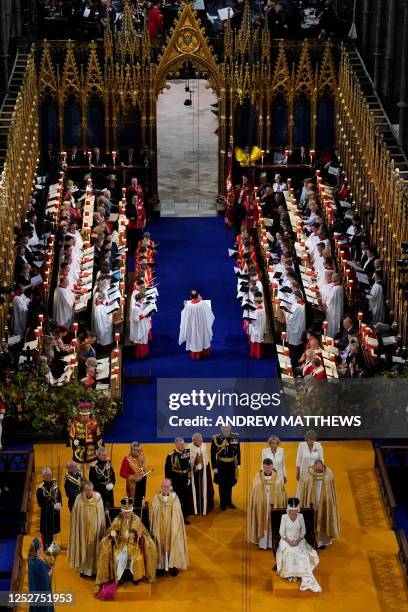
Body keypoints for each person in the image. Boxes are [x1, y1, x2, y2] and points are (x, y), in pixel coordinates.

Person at [95, 496, 157, 590]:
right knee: (118, 557)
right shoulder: (117, 520)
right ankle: (120, 578)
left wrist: (140, 536)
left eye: (129, 512)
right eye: (125, 512)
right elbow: (109, 535)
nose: (127, 514)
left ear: (132, 511)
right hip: (120, 545)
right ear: (122, 511)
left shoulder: (136, 519)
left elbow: (145, 535)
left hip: (133, 546)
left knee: (136, 558)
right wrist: (113, 535)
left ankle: (136, 578)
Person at [276, 497, 321, 592]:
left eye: (295, 510)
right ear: (288, 510)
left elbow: (303, 531)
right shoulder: (284, 517)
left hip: (298, 540)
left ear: (297, 509)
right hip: (286, 540)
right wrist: (289, 541)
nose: (293, 512)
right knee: (288, 552)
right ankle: (290, 574)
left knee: (300, 553)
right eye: (291, 510)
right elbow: (281, 532)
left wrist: (297, 540)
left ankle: (297, 573)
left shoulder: (300, 517)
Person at [150, 479, 189, 576]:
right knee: (159, 542)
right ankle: (160, 566)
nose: (166, 488)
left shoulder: (175, 498)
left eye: (167, 486)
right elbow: (152, 513)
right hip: (160, 528)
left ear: (170, 487)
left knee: (173, 542)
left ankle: (173, 566)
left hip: (172, 526)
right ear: (161, 487)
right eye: (164, 486)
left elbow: (178, 513)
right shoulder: (156, 498)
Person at [67, 481, 106, 578]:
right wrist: (77, 528)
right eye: (86, 490)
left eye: (90, 490)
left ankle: (94, 571)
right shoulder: (79, 499)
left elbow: (101, 515)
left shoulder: (98, 498)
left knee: (94, 548)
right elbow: (75, 515)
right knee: (83, 548)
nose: (88, 492)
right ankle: (83, 570)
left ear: (93, 489)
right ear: (84, 490)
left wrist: (101, 528)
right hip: (82, 530)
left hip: (95, 531)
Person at [298, 460, 340, 548]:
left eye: (319, 470)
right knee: (312, 520)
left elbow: (331, 489)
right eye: (316, 470)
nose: (317, 471)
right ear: (313, 467)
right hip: (311, 502)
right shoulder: (308, 474)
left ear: (322, 466)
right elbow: (304, 490)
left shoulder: (328, 474)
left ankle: (322, 542)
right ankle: (311, 540)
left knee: (324, 519)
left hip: (325, 503)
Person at [247, 458, 287, 549]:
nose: (267, 470)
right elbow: (254, 490)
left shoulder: (278, 477)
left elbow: (282, 492)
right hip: (261, 505)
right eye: (265, 467)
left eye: (269, 467)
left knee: (273, 520)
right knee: (262, 520)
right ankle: (262, 543)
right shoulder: (258, 476)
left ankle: (272, 542)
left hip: (275, 504)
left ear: (272, 466)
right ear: (263, 466)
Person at [178, 290, 215, 359]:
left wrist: (185, 305)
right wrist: (201, 300)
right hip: (202, 325)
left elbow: (185, 316)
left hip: (193, 326)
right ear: (198, 296)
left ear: (190, 297)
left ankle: (196, 352)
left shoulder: (188, 306)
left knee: (194, 337)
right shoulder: (202, 303)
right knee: (203, 335)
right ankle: (205, 350)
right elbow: (209, 313)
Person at [211, 426, 241, 511]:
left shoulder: (234, 437)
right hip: (221, 464)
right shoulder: (216, 438)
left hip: (231, 464)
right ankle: (222, 503)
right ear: (221, 430)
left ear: (230, 430)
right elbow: (213, 454)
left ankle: (229, 502)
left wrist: (238, 463)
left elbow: (238, 450)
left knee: (230, 484)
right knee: (221, 484)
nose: (226, 431)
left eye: (228, 430)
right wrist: (214, 467)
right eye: (224, 430)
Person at [164, 438, 192, 523]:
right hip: (176, 480)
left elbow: (189, 466)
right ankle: (177, 517)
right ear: (175, 444)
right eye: (180, 444)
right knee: (177, 499)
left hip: (184, 479)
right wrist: (169, 483)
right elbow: (168, 470)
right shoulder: (171, 455)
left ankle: (184, 516)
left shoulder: (187, 452)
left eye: (183, 444)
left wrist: (189, 478)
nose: (182, 446)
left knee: (185, 498)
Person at [187, 433, 214, 516]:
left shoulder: (204, 446)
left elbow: (206, 460)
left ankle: (205, 507)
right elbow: (188, 462)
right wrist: (195, 464)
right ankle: (195, 508)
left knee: (206, 488)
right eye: (198, 440)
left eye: (201, 439)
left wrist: (203, 464)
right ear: (193, 440)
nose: (200, 441)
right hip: (194, 473)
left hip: (204, 472)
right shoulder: (189, 448)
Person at [36, 467, 62, 550]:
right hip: (46, 513)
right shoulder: (41, 489)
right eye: (47, 475)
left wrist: (59, 503)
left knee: (54, 530)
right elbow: (40, 503)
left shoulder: (54, 485)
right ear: (43, 476)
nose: (50, 476)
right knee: (47, 531)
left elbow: (58, 495)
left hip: (55, 512)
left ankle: (52, 545)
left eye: (50, 474)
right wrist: (51, 506)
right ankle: (47, 547)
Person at [28, 538, 54, 612]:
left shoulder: (31, 559)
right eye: (41, 547)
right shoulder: (39, 562)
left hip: (35, 588)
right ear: (37, 550)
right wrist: (50, 570)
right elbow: (46, 577)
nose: (42, 549)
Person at [119, 441, 148, 507]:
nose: (137, 452)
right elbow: (122, 473)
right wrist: (134, 477)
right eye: (135, 451)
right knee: (133, 504)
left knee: (141, 501)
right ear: (131, 450)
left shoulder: (141, 457)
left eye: (139, 450)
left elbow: (143, 468)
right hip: (133, 486)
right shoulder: (127, 460)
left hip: (142, 484)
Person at [296, 430, 324, 495]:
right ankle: (302, 504)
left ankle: (316, 504)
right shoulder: (301, 445)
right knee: (302, 489)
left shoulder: (318, 445)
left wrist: (320, 469)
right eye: (310, 439)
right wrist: (298, 472)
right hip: (304, 472)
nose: (311, 441)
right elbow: (298, 459)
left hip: (315, 472)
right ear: (306, 439)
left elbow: (321, 459)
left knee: (316, 489)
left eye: (313, 439)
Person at [324, 273, 344, 337]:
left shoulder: (336, 289)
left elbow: (330, 300)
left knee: (331, 323)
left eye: (333, 278)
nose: (331, 279)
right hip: (336, 307)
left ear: (336, 278)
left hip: (333, 308)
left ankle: (330, 335)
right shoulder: (340, 286)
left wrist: (325, 302)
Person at [248, 292, 266, 359]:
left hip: (256, 328)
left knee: (255, 340)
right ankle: (259, 354)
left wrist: (249, 319)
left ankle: (255, 354)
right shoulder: (263, 308)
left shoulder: (256, 311)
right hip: (261, 328)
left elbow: (253, 321)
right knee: (259, 340)